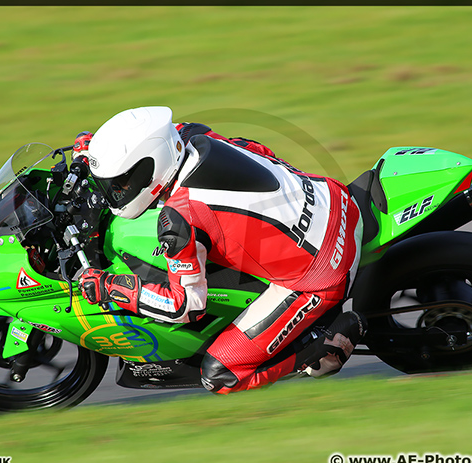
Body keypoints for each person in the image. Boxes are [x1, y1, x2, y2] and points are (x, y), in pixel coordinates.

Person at [75, 106, 366, 394]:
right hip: (334, 196)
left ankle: (323, 350)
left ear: (150, 166)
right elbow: (256, 148)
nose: (115, 191)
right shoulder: (189, 134)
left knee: (220, 376)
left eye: (120, 183)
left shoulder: (179, 218)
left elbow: (184, 306)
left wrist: (110, 287)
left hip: (321, 271)